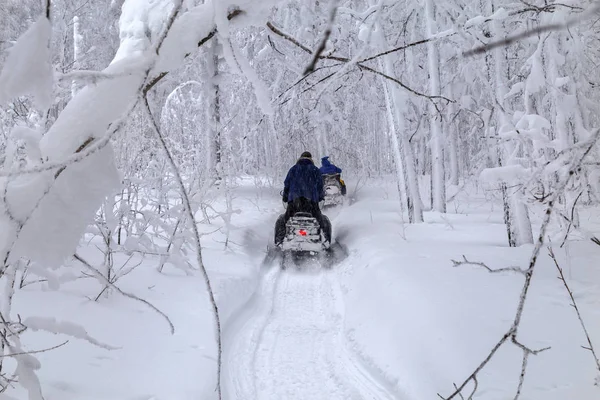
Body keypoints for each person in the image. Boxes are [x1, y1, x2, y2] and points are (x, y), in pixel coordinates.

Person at [275, 151, 331, 246]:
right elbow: (320, 186)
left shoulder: (293, 169)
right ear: (311, 159)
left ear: (300, 158)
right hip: (311, 201)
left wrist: (285, 197)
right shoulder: (315, 170)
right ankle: (325, 239)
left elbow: (287, 184)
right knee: (320, 219)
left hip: (294, 201)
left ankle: (280, 239)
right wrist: (320, 197)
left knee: (285, 219)